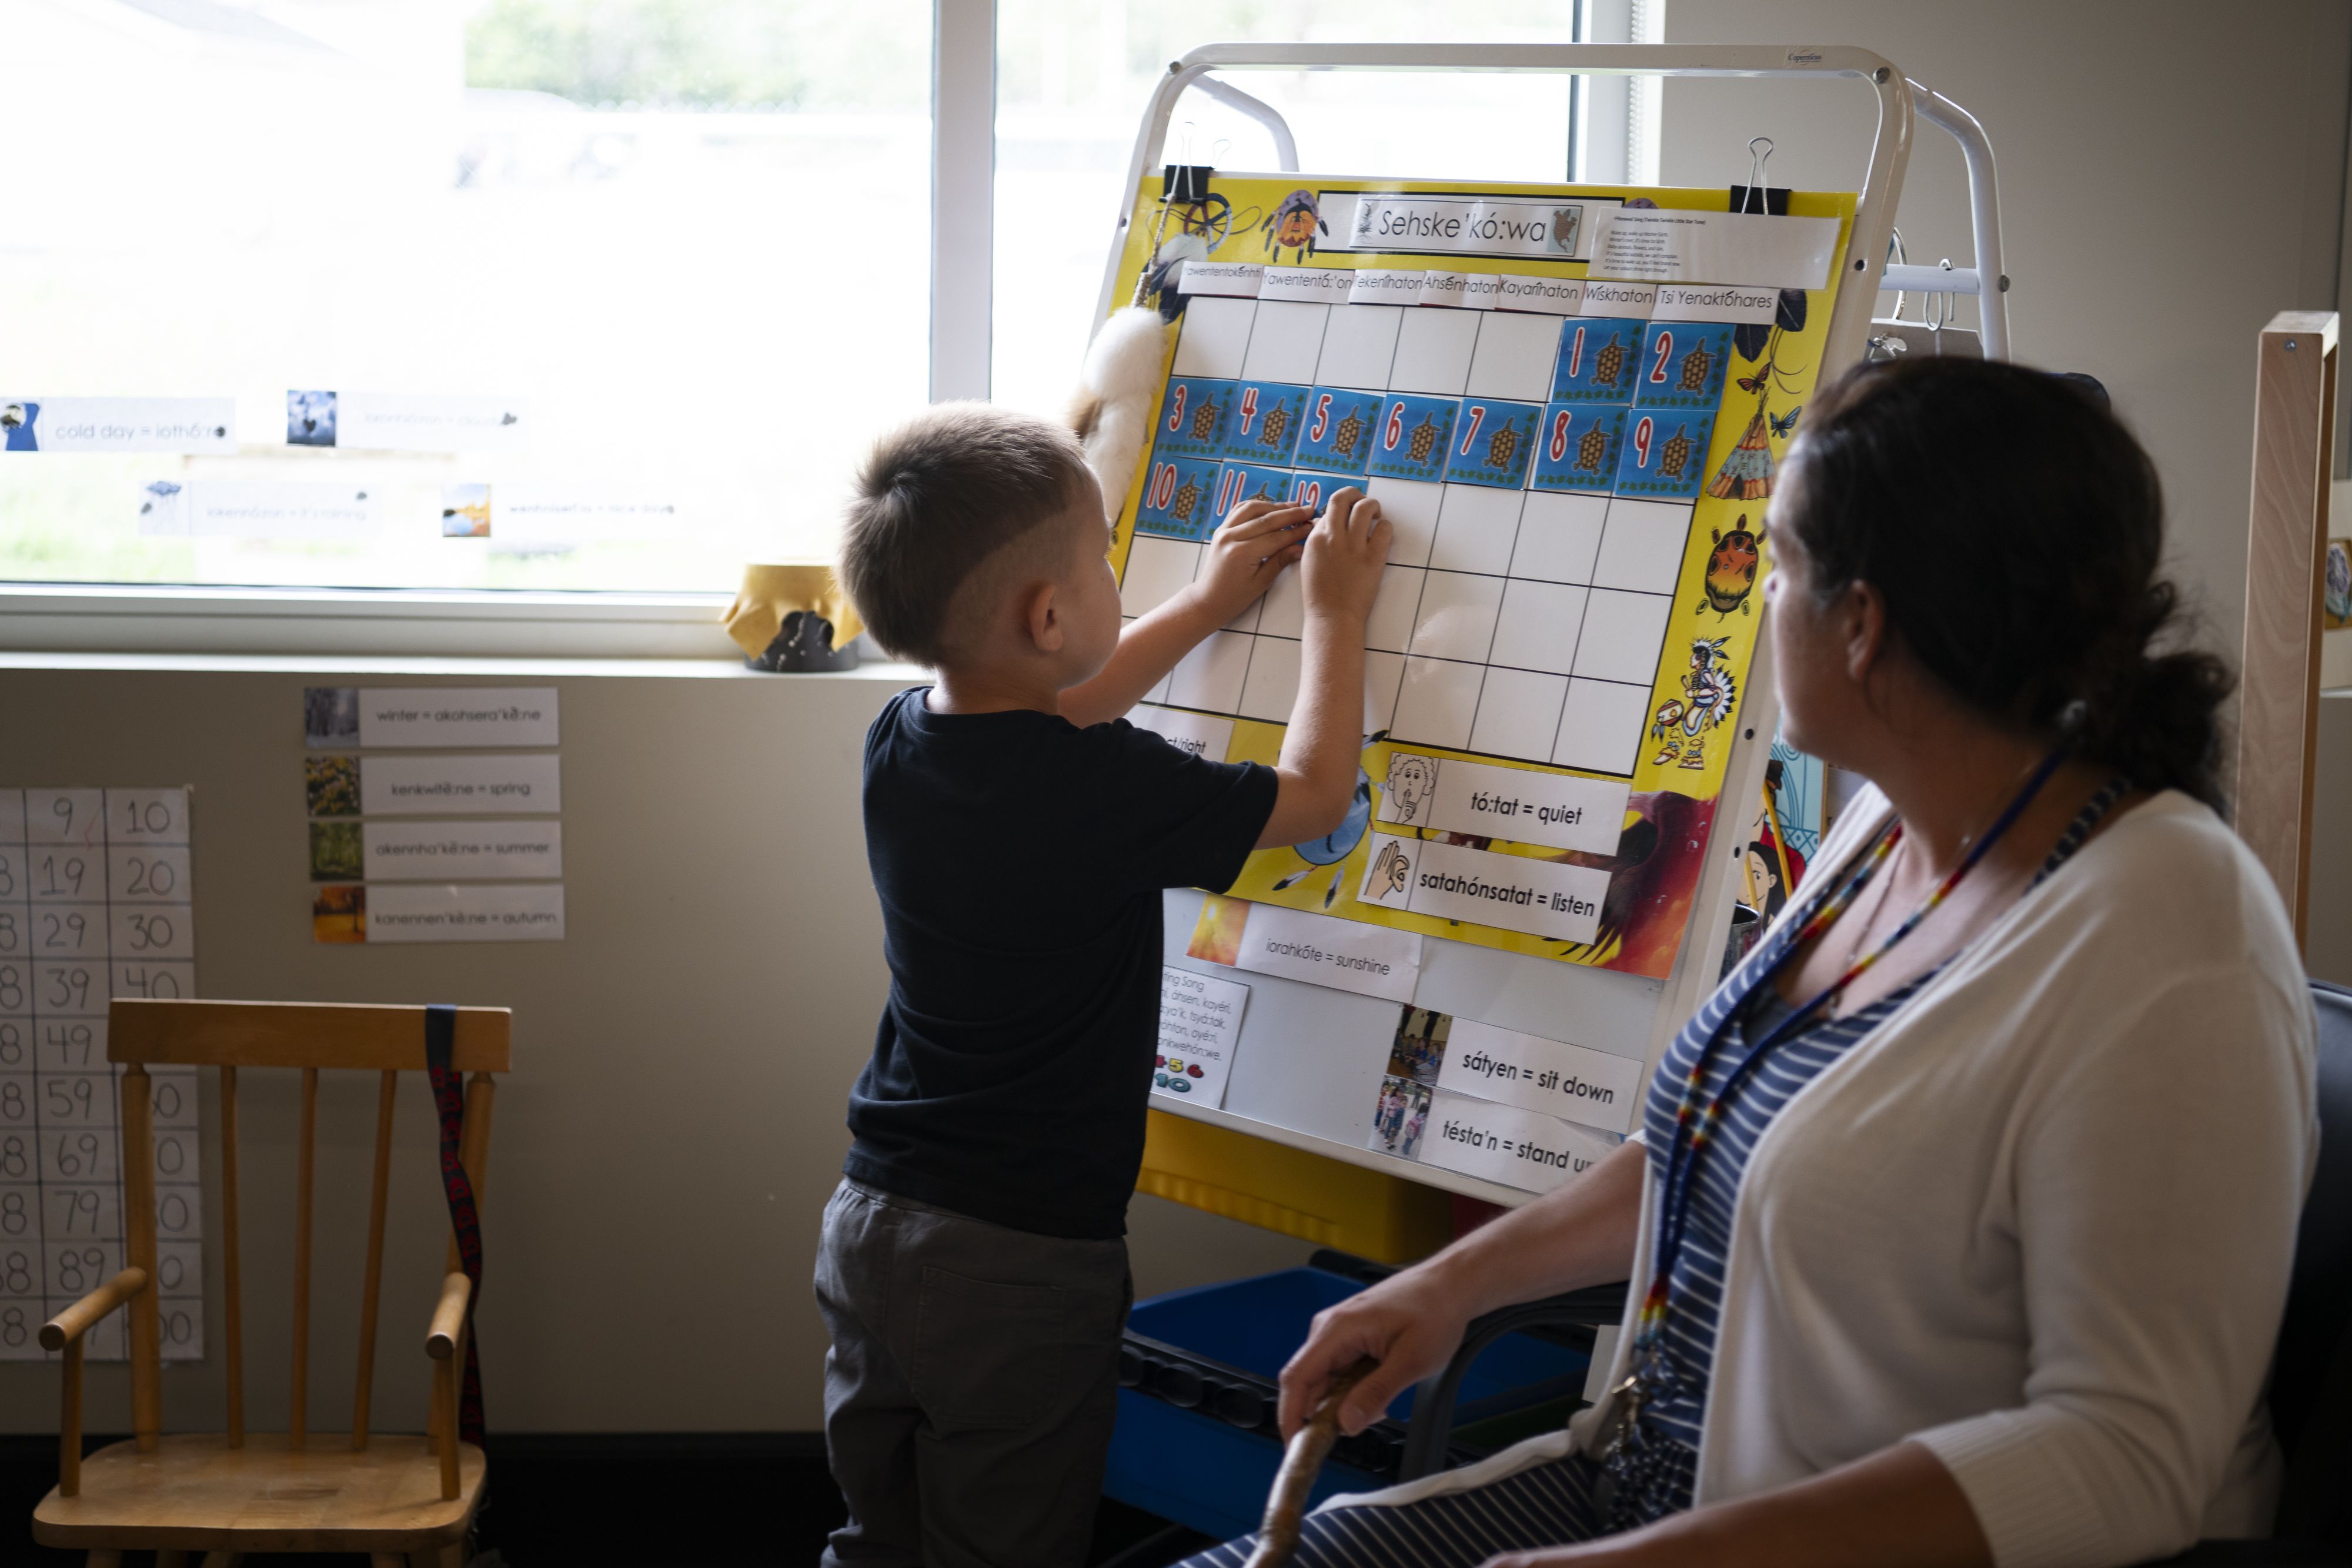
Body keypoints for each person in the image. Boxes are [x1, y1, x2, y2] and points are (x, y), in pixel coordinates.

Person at [1186, 356, 2318, 1568]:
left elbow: (2123, 1456)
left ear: (1862, 623)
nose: (1756, 600)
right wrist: (1449, 1282)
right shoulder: (1891, 821)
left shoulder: (2173, 936)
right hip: (1643, 1490)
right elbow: (1712, 1138)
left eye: (1775, 565)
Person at [820, 402, 1392, 1568]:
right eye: (1101, 565)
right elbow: (1314, 795)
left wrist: (1201, 605)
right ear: (1046, 613)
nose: (1111, 580)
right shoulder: (1105, 789)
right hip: (1022, 1261)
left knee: (883, 1534)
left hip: (874, 1222)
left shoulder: (901, 741)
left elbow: (1058, 700)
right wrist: (1334, 615)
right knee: (1007, 1539)